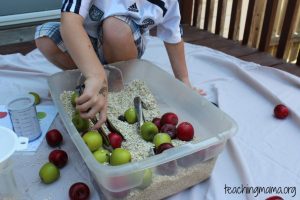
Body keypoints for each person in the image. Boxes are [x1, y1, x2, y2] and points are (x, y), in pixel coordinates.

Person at [35, 0, 204, 129]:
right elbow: (69, 22)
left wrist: (183, 79)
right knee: (45, 38)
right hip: (87, 43)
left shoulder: (167, 2)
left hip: (123, 44)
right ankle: (88, 80)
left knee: (115, 28)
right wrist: (95, 76)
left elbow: (173, 37)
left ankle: (118, 87)